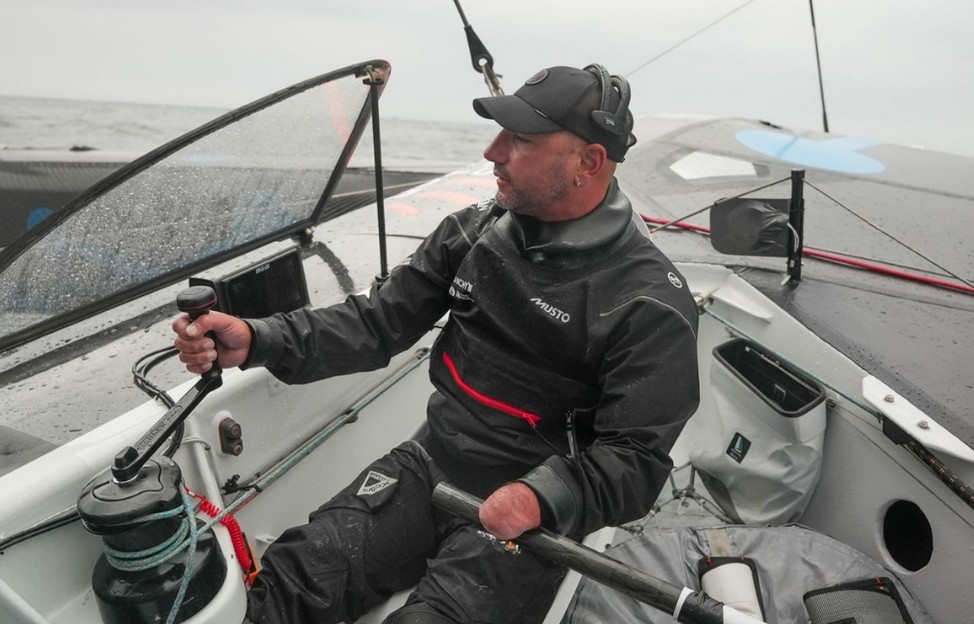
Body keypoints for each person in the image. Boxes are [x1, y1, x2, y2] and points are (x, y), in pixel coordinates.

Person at [173, 63, 700, 624]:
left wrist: (542, 495)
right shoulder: (472, 233)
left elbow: (635, 462)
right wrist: (258, 338)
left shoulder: (649, 303)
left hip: (531, 508)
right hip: (431, 460)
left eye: (520, 140)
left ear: (588, 162)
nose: (493, 151)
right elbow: (376, 324)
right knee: (294, 577)